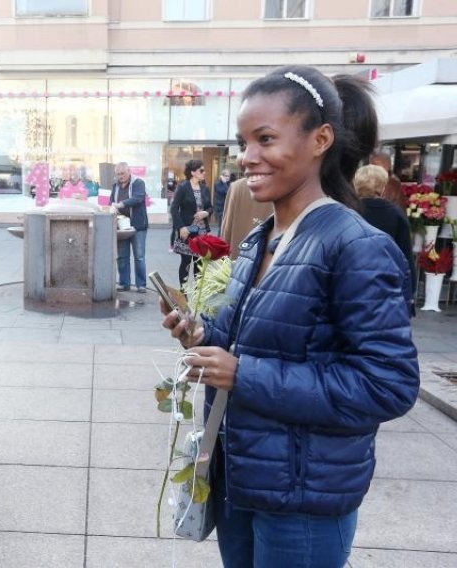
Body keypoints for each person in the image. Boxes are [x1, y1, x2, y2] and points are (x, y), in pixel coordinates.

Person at [161, 65, 419, 567]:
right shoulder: (263, 238)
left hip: (303, 503)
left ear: (320, 139)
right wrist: (200, 336)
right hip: (241, 482)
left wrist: (242, 374)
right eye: (243, 141)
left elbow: (388, 384)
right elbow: (260, 344)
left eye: (265, 139)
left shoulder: (356, 246)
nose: (247, 157)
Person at [355, 164, 416, 314]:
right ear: (382, 187)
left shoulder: (346, 211)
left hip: (352, 282)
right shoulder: (396, 215)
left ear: (356, 185)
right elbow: (405, 256)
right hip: (385, 285)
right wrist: (410, 293)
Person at [170, 159, 212, 285]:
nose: (204, 173)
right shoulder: (183, 187)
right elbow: (173, 208)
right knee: (186, 262)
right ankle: (184, 294)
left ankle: (198, 295)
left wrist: (206, 213)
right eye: (201, 170)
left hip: (202, 233)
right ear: (193, 172)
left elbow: (210, 207)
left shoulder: (205, 188)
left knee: (199, 263)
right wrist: (181, 227)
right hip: (187, 232)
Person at [110, 162, 148, 292]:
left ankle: (141, 284)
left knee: (139, 256)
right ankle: (124, 283)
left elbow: (138, 198)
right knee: (122, 256)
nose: (120, 176)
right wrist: (112, 207)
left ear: (129, 171)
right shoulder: (115, 186)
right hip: (121, 225)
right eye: (118, 174)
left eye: (122, 173)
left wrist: (121, 204)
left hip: (137, 225)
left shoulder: (138, 183)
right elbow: (111, 202)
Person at [219, 177, 273, 260]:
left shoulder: (236, 186)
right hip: (265, 259)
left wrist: (222, 254)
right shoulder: (281, 188)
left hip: (237, 256)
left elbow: (227, 227)